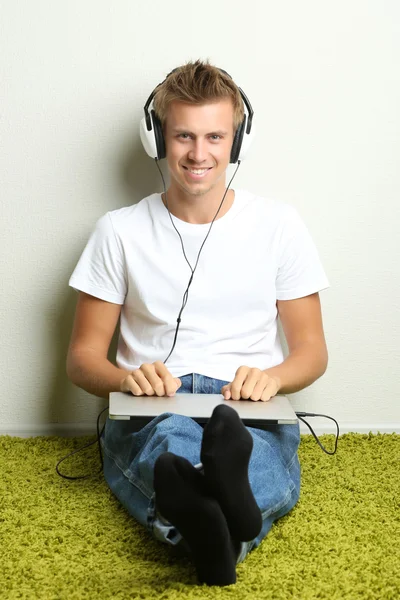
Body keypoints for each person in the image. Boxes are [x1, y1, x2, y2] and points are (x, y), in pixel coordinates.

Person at [66, 60, 330, 586]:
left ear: (238, 141)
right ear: (158, 138)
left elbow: (312, 350)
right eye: (183, 135)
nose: (198, 153)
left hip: (245, 404)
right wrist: (127, 378)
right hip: (154, 402)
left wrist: (273, 378)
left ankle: (211, 527)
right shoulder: (118, 231)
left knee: (252, 454)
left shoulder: (279, 225)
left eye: (215, 136)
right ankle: (231, 531)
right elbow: (82, 358)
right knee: (170, 443)